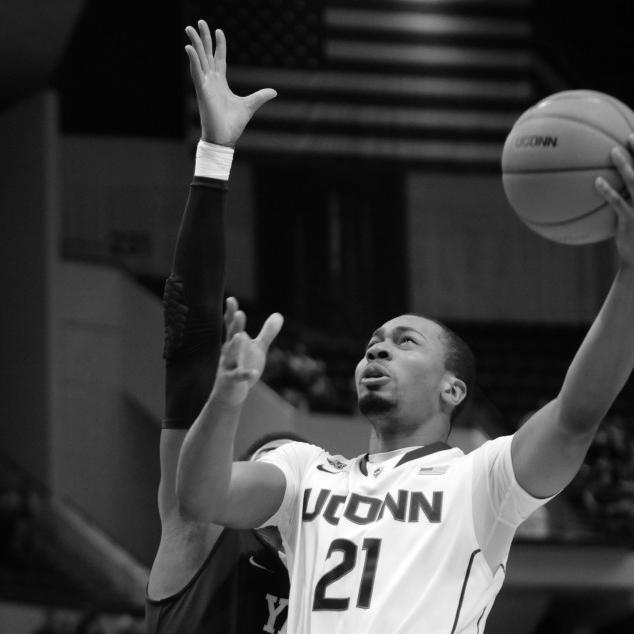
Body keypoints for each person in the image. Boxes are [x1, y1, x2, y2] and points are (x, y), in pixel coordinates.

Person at [175, 27, 634, 633]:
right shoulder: (305, 471)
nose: (377, 347)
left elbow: (577, 417)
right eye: (374, 342)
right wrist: (227, 398)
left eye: (403, 341)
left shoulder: (481, 481)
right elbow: (200, 500)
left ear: (453, 390)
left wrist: (629, 273)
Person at [144, 20, 298, 634]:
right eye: (260, 470)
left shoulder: (337, 581)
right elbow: (187, 343)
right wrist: (215, 155)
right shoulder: (199, 533)